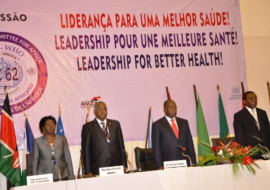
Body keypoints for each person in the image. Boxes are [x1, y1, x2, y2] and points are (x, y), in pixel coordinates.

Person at [81, 101, 127, 177]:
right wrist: (88, 171)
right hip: (98, 168)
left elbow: (122, 147)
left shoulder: (116, 124)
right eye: (99, 109)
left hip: (116, 168)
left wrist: (124, 166)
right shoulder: (88, 127)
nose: (102, 111)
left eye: (104, 108)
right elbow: (86, 152)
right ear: (94, 112)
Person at [152, 100, 196, 169]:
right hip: (168, 163)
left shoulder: (184, 123)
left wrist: (193, 161)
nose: (173, 109)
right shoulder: (157, 125)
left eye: (174, 107)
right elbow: (156, 148)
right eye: (170, 107)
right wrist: (159, 166)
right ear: (164, 109)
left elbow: (190, 143)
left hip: (185, 162)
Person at [32, 116, 74, 180]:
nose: (51, 126)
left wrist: (71, 176)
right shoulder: (38, 141)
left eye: (53, 124)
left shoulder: (62, 139)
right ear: (43, 127)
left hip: (62, 175)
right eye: (48, 124)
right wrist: (34, 179)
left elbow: (68, 158)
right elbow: (35, 161)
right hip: (44, 176)